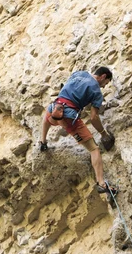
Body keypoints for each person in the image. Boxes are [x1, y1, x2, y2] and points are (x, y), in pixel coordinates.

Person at [40, 66, 117, 195]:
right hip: (69, 117)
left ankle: (42, 142)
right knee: (94, 149)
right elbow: (93, 117)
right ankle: (101, 183)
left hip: (56, 108)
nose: (104, 86)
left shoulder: (78, 73)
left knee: (47, 115)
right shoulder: (97, 92)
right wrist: (104, 134)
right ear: (103, 76)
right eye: (106, 83)